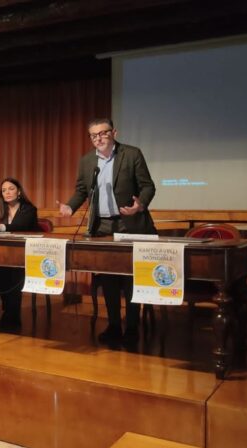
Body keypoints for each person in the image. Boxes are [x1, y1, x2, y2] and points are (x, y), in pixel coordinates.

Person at [58, 118, 156, 346]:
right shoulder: (87, 161)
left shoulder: (131, 154)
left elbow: (148, 186)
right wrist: (70, 207)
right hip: (102, 226)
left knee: (131, 277)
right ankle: (113, 325)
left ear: (114, 133)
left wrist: (139, 205)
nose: (99, 138)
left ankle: (132, 326)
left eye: (103, 133)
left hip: (130, 224)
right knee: (108, 278)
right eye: (94, 135)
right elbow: (82, 190)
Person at [0, 177, 38, 330]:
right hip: (2, 256)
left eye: (11, 189)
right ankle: (9, 311)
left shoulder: (29, 209)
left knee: (13, 273)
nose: (7, 192)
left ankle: (11, 314)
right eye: (4, 190)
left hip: (24, 255)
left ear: (19, 192)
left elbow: (21, 225)